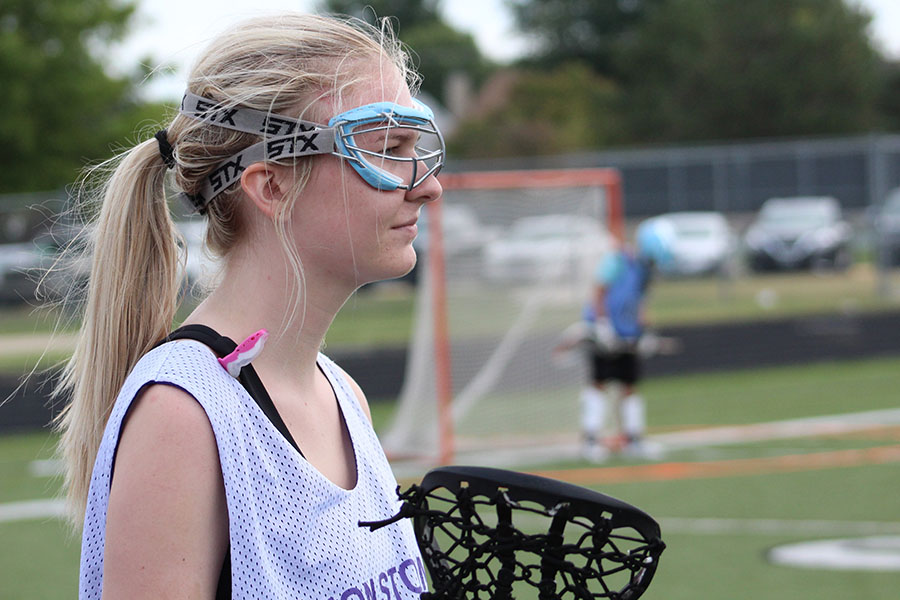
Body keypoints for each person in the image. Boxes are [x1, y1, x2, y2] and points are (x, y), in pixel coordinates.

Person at [50, 13, 443, 599]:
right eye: (387, 149)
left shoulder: (343, 396)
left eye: (418, 147)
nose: (428, 185)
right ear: (271, 187)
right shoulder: (183, 417)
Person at [554, 219, 674, 462]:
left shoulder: (645, 270)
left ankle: (633, 439)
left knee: (629, 384)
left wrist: (643, 332)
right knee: (599, 382)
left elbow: (639, 302)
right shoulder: (618, 260)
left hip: (627, 336)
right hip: (604, 332)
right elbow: (599, 290)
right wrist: (603, 325)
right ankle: (590, 440)